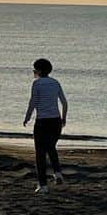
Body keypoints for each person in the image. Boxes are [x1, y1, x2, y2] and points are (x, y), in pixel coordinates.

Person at [23, 58, 68, 194]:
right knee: (51, 147)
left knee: (40, 154)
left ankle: (43, 185)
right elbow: (64, 102)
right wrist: (63, 118)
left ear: (40, 70)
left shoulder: (37, 84)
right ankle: (57, 172)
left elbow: (33, 102)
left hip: (43, 121)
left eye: (35, 69)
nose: (33, 71)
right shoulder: (55, 83)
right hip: (56, 121)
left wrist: (27, 117)